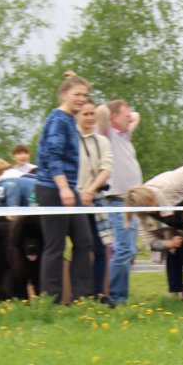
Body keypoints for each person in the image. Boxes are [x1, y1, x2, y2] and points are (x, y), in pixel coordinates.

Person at [35, 72, 95, 303]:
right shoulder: (58, 120)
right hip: (53, 188)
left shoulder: (70, 118)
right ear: (63, 94)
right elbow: (52, 156)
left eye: (84, 95)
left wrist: (76, 79)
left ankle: (81, 297)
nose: (81, 98)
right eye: (76, 94)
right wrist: (63, 188)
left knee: (84, 241)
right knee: (55, 246)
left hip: (69, 188)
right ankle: (51, 299)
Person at [125, 164, 183, 301]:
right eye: (145, 207)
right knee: (174, 252)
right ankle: (175, 292)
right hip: (180, 223)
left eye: (150, 203)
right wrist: (168, 243)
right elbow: (150, 242)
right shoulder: (140, 213)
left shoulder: (167, 188)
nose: (151, 208)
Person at [97, 99, 143, 306]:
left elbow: (137, 116)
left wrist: (128, 116)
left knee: (130, 250)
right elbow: (101, 111)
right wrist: (112, 111)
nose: (130, 118)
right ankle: (115, 297)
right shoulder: (108, 135)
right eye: (125, 116)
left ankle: (119, 295)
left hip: (130, 204)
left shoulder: (125, 135)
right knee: (123, 249)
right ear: (114, 117)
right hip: (116, 202)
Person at [75, 98, 113, 298]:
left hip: (95, 199)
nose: (89, 118)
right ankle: (79, 293)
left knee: (99, 247)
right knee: (80, 247)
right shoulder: (71, 140)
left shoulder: (102, 141)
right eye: (85, 114)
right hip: (73, 200)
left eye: (92, 114)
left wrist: (90, 191)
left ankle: (98, 293)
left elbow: (106, 168)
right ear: (77, 116)